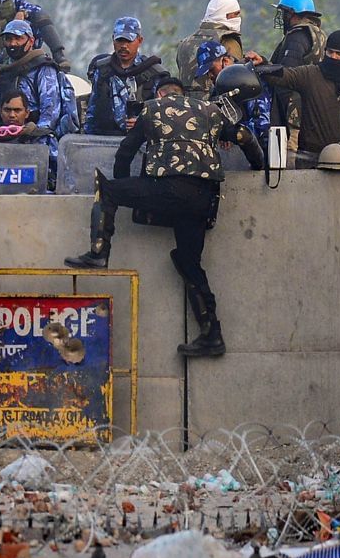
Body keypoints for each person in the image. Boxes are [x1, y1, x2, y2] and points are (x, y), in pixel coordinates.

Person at [65, 65, 265, 357]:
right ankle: (212, 334)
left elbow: (126, 152)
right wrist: (259, 166)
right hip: (204, 198)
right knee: (187, 261)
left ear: (160, 94)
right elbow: (243, 136)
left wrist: (124, 186)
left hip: (168, 190)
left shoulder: (151, 109)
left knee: (107, 188)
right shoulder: (209, 111)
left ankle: (98, 252)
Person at [247, 30, 340, 167]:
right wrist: (263, 64)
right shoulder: (311, 75)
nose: (334, 57)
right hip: (310, 161)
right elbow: (285, 75)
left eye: (339, 54)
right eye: (330, 52)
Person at [84, 17, 168, 136]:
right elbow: (92, 113)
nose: (123, 46)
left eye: (129, 41)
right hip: (103, 142)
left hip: (141, 144)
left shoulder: (153, 72)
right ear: (113, 39)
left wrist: (142, 123)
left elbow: (165, 116)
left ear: (139, 40)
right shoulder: (102, 70)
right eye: (120, 40)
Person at [0, 20, 73, 136]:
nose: (13, 44)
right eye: (8, 39)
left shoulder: (43, 68)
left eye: (18, 38)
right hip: (7, 137)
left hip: (35, 138)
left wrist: (36, 134)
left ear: (31, 41)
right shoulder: (6, 72)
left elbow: (50, 110)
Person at [267, 0, 326, 146]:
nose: (282, 18)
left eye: (284, 13)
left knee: (290, 162)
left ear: (293, 14)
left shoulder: (297, 37)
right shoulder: (319, 35)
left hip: (294, 118)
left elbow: (285, 77)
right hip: (313, 114)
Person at [197, 41, 270, 149]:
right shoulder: (218, 88)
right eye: (207, 73)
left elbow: (262, 124)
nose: (210, 75)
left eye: (212, 70)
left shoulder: (248, 79)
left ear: (225, 61)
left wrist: (233, 135)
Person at [0, 88, 59, 190]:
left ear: (27, 113)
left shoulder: (43, 139)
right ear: (0, 112)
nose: (12, 115)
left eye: (17, 110)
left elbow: (58, 173)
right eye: (7, 110)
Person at [175, 0, 244, 98]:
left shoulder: (184, 43)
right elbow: (236, 76)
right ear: (226, 14)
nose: (238, 18)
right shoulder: (227, 39)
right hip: (217, 106)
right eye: (236, 14)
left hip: (187, 105)